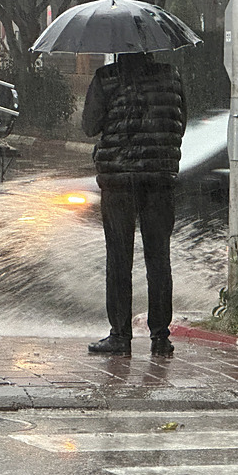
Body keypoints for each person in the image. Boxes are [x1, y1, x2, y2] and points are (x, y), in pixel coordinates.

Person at [81, 51, 187, 357]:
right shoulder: (172, 77)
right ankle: (160, 338)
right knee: (158, 258)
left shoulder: (106, 78)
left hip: (118, 180)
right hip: (160, 178)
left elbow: (89, 126)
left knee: (119, 259)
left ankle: (120, 336)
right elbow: (179, 124)